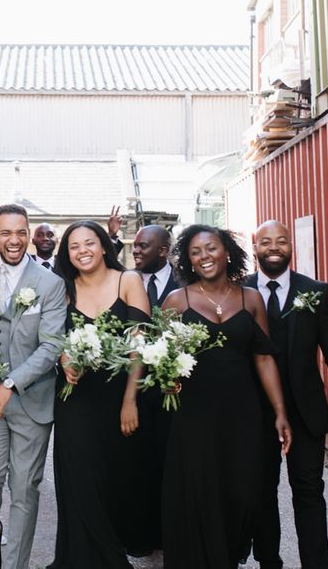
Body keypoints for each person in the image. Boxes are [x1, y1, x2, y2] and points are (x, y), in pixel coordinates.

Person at [160, 224, 291, 569]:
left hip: (242, 414)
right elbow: (159, 359)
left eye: (211, 248)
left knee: (241, 491)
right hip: (194, 415)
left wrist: (279, 411)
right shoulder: (177, 301)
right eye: (196, 252)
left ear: (228, 251)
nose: (205, 257)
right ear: (188, 260)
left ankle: (228, 557)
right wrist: (168, 381)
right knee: (200, 492)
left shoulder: (251, 299)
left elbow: (264, 356)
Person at [245, 220, 328, 569]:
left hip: (305, 411)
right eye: (266, 242)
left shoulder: (314, 290)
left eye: (281, 242)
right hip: (255, 412)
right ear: (255, 247)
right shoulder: (239, 291)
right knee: (262, 493)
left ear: (290, 247)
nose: (273, 248)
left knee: (309, 493)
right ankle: (269, 561)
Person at [48, 220, 151, 568]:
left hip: (121, 396)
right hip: (75, 398)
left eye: (89, 243)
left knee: (118, 481)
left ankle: (114, 547)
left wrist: (130, 400)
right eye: (74, 246)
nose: (82, 251)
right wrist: (64, 359)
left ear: (105, 245)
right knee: (80, 482)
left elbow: (141, 345)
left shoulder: (128, 281)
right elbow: (53, 338)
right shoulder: (62, 289)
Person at [0, 204, 67, 569]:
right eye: (6, 233)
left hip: (32, 399)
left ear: (28, 234)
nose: (15, 240)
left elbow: (52, 345)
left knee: (24, 490)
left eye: (21, 232)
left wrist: (10, 383)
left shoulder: (50, 284)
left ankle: (15, 566)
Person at [130, 224, 180, 552]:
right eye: (134, 246)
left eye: (143, 247)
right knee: (138, 465)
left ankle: (173, 534)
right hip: (133, 388)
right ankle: (141, 536)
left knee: (173, 464)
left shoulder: (185, 284)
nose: (135, 251)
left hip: (175, 392)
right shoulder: (127, 281)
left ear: (163, 251)